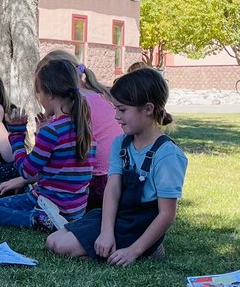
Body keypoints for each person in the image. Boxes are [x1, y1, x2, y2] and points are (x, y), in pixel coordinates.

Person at [48, 67, 188, 265]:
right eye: (115, 109)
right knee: (53, 241)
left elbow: (166, 214)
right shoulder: (120, 143)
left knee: (63, 247)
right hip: (115, 217)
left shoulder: (168, 155)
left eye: (122, 110)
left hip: (139, 226)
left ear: (148, 109)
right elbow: (112, 188)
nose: (116, 116)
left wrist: (133, 251)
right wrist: (106, 232)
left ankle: (149, 248)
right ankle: (118, 246)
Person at [0, 55, 95, 231]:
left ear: (50, 94)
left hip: (48, 204)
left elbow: (26, 170)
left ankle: (39, 220)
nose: (38, 98)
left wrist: (16, 134)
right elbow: (64, 167)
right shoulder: (84, 127)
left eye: (38, 92)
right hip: (74, 210)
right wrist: (41, 134)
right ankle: (51, 219)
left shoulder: (53, 130)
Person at [38, 50, 119, 208]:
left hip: (95, 184)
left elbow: (51, 160)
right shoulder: (103, 94)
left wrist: (23, 178)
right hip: (120, 181)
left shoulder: (73, 106)